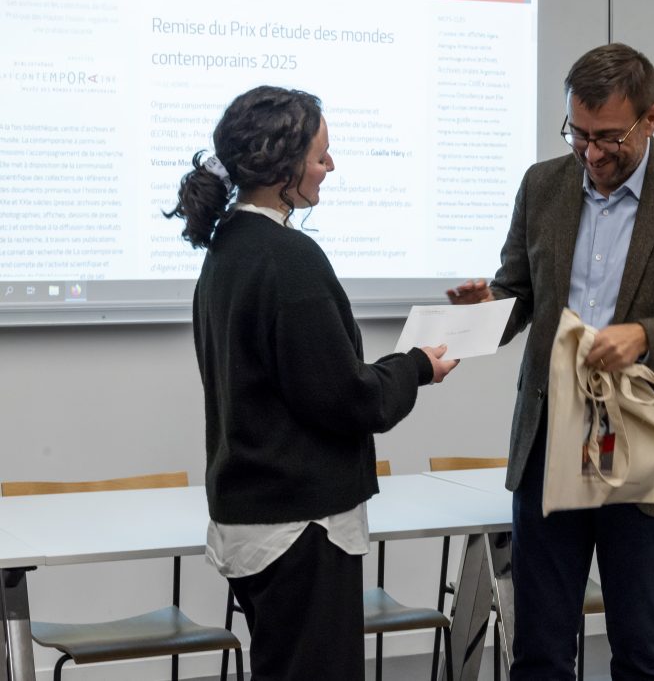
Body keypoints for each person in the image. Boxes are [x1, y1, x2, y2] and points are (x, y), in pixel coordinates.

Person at [448, 44, 654, 679]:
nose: (590, 153)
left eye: (608, 137)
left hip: (645, 446)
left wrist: (644, 335)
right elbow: (520, 294)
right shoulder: (543, 184)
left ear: (652, 117)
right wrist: (488, 306)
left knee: (642, 650)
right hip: (551, 443)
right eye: (578, 135)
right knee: (538, 649)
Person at [166, 85, 458, 680]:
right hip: (301, 528)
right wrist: (418, 366)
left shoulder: (227, 251)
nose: (330, 169)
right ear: (282, 165)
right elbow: (348, 398)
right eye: (321, 157)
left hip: (256, 523)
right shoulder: (287, 257)